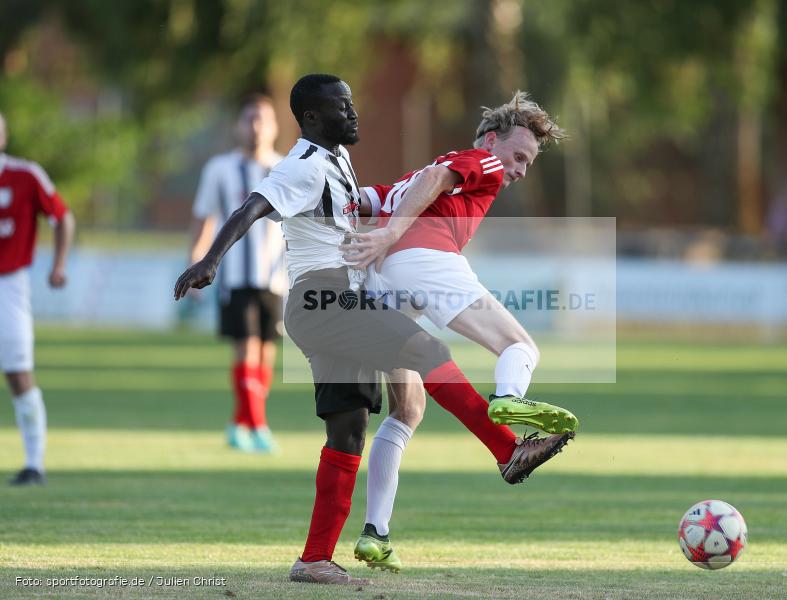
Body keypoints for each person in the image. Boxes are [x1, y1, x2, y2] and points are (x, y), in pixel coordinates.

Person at [174, 74, 573, 585]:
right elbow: (252, 205)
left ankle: (314, 559)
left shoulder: (338, 160)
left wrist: (391, 217)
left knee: (349, 430)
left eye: (351, 103)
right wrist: (210, 259)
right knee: (428, 352)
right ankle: (507, 449)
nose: (353, 112)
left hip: (336, 300)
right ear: (313, 117)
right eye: (342, 106)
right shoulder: (302, 164)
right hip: (325, 298)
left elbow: (375, 200)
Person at [346, 91, 575, 572]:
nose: (520, 170)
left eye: (528, 163)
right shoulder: (480, 161)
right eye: (519, 156)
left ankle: (374, 533)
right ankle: (508, 400)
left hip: (381, 282)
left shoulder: (414, 178)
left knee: (407, 410)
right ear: (491, 140)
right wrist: (390, 234)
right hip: (423, 260)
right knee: (520, 346)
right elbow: (435, 180)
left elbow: (362, 198)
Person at [188, 94, 286, 453]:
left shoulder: (285, 168)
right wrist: (195, 262)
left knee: (266, 354)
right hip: (234, 276)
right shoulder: (220, 169)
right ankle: (259, 426)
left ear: (275, 127)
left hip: (276, 279)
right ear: (238, 126)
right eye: (249, 119)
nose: (256, 127)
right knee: (246, 349)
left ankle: (238, 424)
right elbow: (204, 219)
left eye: (263, 119)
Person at [0, 111, 76, 486]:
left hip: (9, 284)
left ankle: (34, 463)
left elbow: (63, 218)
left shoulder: (26, 174)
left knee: (18, 373)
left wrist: (58, 264)